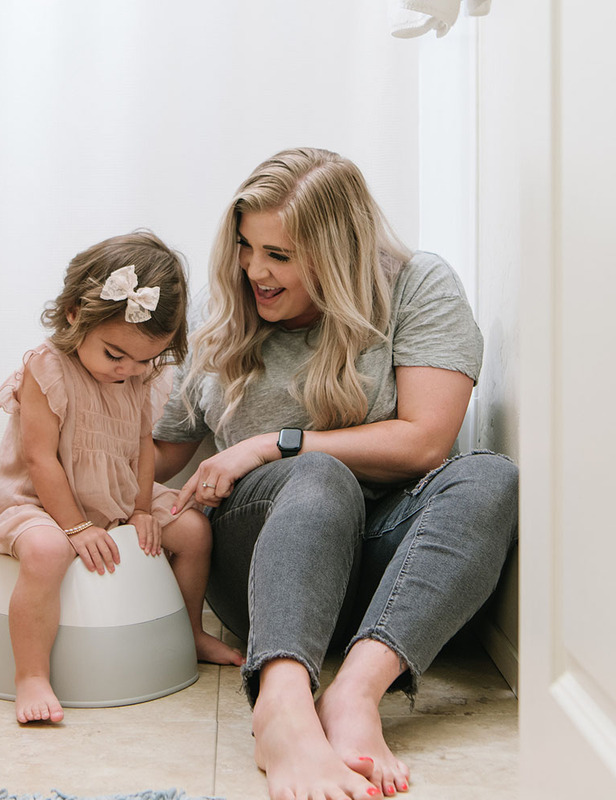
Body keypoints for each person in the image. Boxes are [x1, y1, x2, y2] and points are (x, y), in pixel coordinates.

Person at [153, 148, 518, 800]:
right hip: (264, 563)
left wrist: (273, 441)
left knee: (490, 478)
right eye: (245, 246)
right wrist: (62, 405)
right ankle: (284, 706)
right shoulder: (223, 308)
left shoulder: (415, 285)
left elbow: (428, 440)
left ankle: (355, 694)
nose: (254, 270)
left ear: (339, 251)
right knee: (318, 474)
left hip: (389, 568)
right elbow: (160, 453)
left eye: (280, 256)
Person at [0, 231, 244, 725]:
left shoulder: (137, 374)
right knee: (47, 551)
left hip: (115, 497)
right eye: (115, 354)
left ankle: (188, 633)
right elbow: (40, 459)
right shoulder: (46, 368)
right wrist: (76, 527)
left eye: (145, 360)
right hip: (37, 498)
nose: (128, 369)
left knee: (192, 529)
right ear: (77, 315)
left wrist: (142, 508)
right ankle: (31, 674)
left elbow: (143, 443)